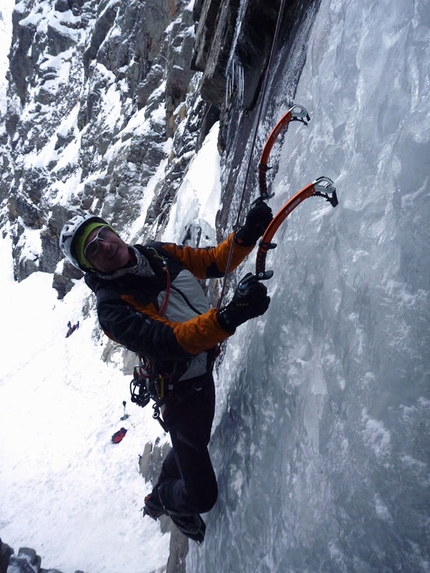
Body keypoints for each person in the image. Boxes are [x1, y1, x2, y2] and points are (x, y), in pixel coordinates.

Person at [59, 201, 272, 541]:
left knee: (195, 442)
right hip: (182, 395)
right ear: (92, 267)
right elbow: (169, 341)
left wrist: (248, 234)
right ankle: (162, 499)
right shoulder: (113, 308)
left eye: (102, 234)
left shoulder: (157, 253)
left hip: (200, 372)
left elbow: (213, 262)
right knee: (202, 495)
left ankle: (171, 475)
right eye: (93, 249)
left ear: (112, 229)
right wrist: (229, 317)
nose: (106, 246)